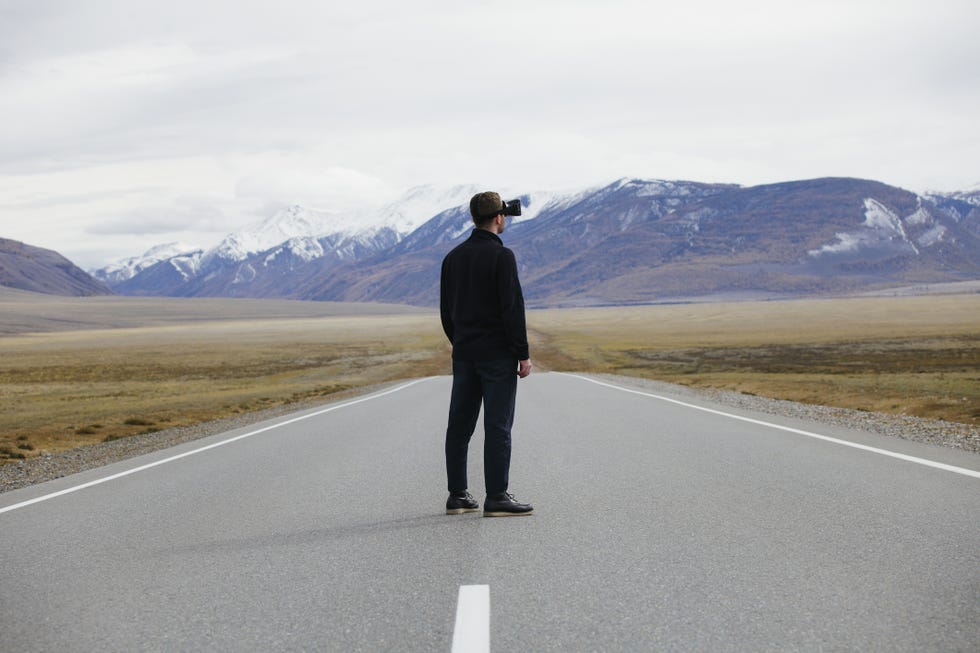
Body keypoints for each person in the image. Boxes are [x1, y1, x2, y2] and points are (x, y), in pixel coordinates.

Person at [440, 191, 534, 517]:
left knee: (459, 425)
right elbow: (512, 309)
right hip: (496, 356)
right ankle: (496, 496)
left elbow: (446, 313)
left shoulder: (452, 258)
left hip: (464, 354)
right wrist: (522, 354)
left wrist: (462, 342)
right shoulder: (501, 257)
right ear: (498, 218)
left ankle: (457, 495)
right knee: (497, 425)